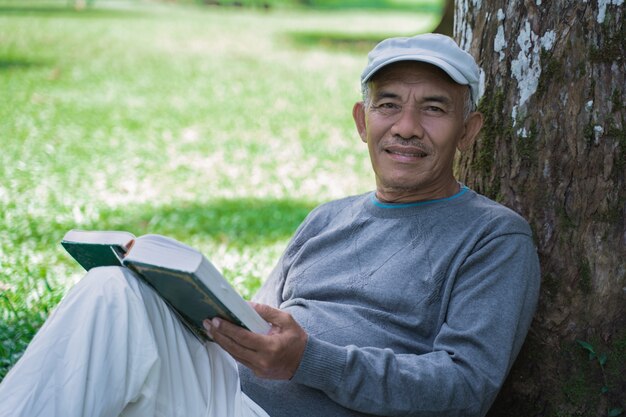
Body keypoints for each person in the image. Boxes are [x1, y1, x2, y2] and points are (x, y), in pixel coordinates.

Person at [0, 33, 540, 417]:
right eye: (389, 104)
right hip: (221, 398)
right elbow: (256, 327)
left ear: (469, 131)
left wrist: (312, 361)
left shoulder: (494, 238)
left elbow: (466, 387)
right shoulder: (327, 218)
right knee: (112, 288)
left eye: (434, 109)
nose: (405, 127)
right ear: (361, 120)